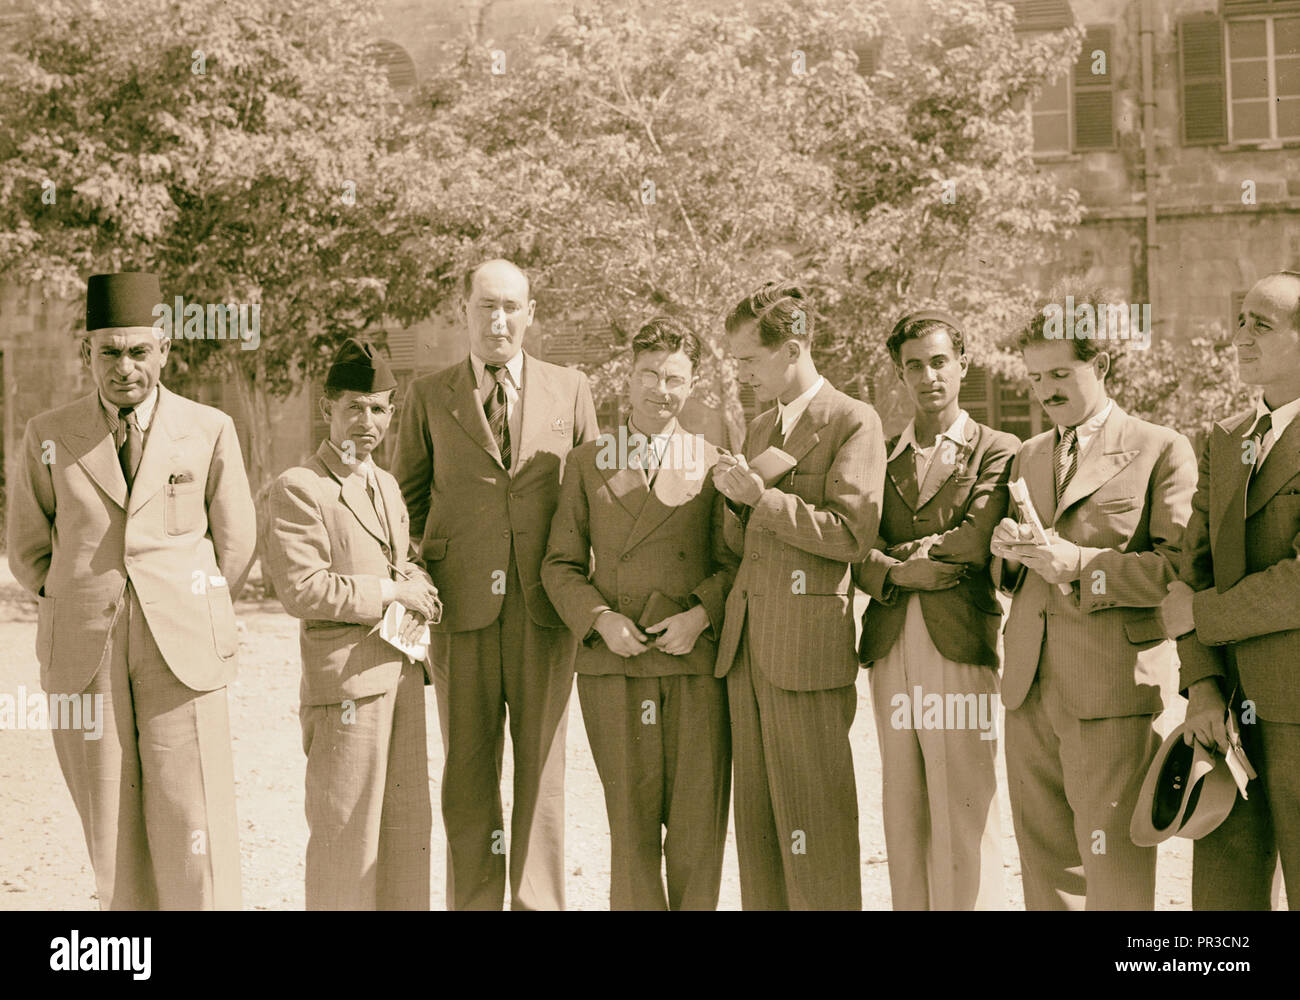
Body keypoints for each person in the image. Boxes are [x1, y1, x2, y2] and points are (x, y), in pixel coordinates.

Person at [7, 272, 256, 909]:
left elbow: (233, 541)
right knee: (108, 816)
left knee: (189, 809)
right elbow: (29, 548)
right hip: (87, 648)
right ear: (86, 353)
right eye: (109, 351)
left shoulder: (208, 428)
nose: (125, 366)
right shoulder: (48, 434)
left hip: (182, 645)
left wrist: (192, 599)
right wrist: (79, 597)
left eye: (139, 351)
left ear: (164, 351)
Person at [393, 258, 600, 910]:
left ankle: (539, 904)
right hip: (464, 615)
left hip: (546, 611)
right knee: (468, 775)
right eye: (486, 305)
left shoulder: (571, 389)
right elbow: (407, 502)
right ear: (465, 309)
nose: (499, 319)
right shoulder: (429, 395)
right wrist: (414, 573)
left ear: (531, 313)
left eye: (512, 306)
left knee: (542, 774)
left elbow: (593, 496)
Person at [990, 290, 1196, 910]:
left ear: (1101, 366)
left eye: (1060, 374)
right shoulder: (1028, 455)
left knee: (1114, 874)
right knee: (1045, 867)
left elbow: (1178, 570)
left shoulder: (1161, 446)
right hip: (1029, 687)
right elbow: (1019, 574)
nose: (1045, 390)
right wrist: (1008, 553)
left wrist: (1078, 565)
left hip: (1111, 690)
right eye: (1034, 377)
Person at [542, 317, 738, 910]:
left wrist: (700, 616)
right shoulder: (586, 462)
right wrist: (601, 619)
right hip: (615, 667)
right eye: (649, 375)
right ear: (627, 378)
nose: (661, 390)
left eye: (675, 378)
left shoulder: (713, 463)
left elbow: (737, 564)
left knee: (698, 829)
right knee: (629, 828)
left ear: (693, 383)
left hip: (692, 664)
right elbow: (560, 565)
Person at [712, 280, 886, 910]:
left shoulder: (853, 420)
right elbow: (742, 546)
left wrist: (762, 499)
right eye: (735, 364)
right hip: (747, 651)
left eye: (749, 362)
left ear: (792, 349)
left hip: (806, 655)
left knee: (819, 825)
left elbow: (852, 534)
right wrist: (733, 506)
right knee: (759, 832)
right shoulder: (759, 427)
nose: (741, 376)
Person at [264, 338, 440, 910]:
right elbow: (303, 588)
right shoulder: (301, 486)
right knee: (346, 842)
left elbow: (399, 560)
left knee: (406, 837)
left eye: (380, 409)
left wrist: (420, 586)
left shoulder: (386, 485)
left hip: (402, 678)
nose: (368, 421)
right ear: (328, 412)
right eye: (355, 408)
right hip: (346, 688)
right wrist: (394, 590)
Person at [854, 310, 1017, 910]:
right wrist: (898, 570)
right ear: (900, 374)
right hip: (890, 641)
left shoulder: (998, 449)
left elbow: (975, 540)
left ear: (964, 365)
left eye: (940, 361)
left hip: (959, 641)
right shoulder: (881, 456)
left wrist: (902, 555)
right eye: (914, 366)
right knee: (904, 809)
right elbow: (854, 543)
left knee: (964, 806)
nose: (928, 376)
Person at [1162, 270, 1300, 910]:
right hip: (1226, 720)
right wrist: (1204, 689)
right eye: (1240, 320)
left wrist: (1202, 616)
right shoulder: (1224, 440)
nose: (1240, 337)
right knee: (1223, 906)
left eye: (1261, 325)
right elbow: (1193, 569)